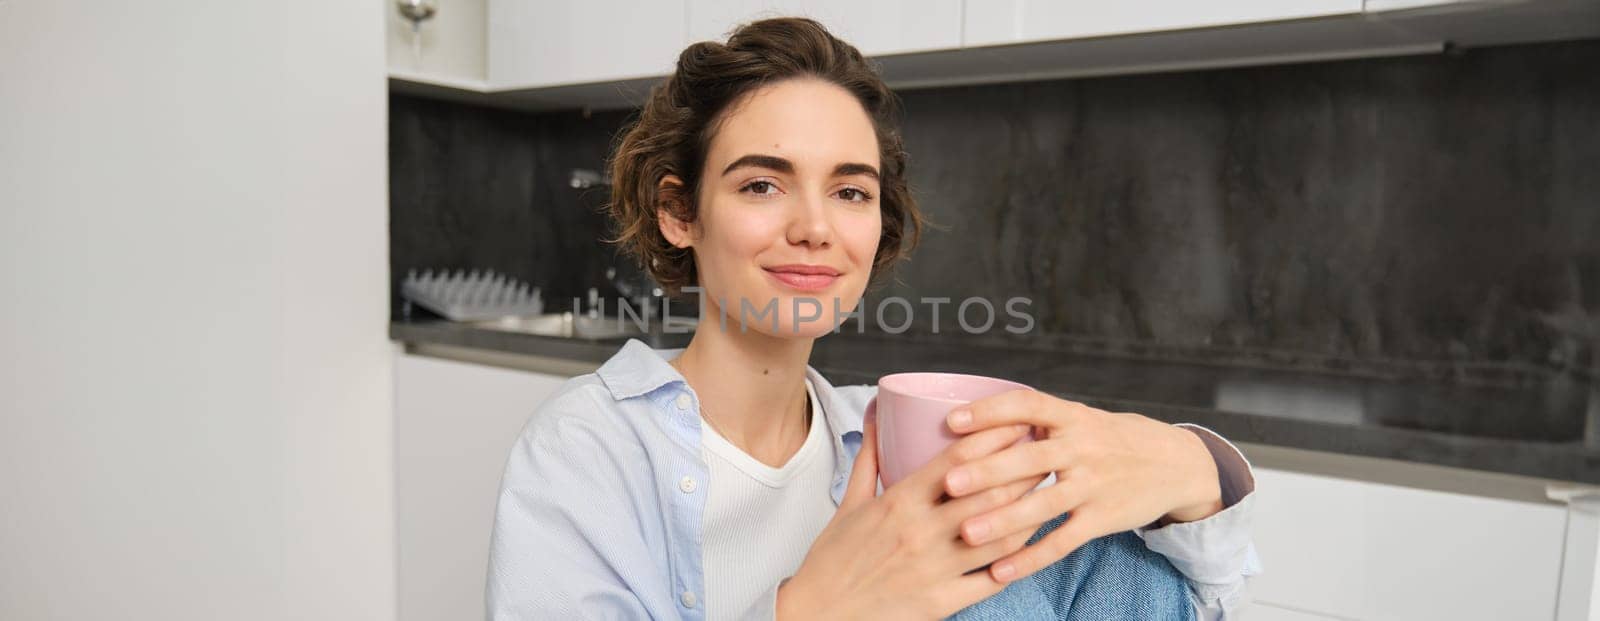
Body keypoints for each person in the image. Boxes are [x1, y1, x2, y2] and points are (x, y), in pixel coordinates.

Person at [487, 17, 1258, 620]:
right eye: (762, 185)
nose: (816, 227)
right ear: (679, 211)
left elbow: (1198, 591)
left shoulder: (886, 436)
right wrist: (814, 610)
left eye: (851, 191)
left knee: (1127, 561)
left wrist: (1187, 462)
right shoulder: (587, 452)